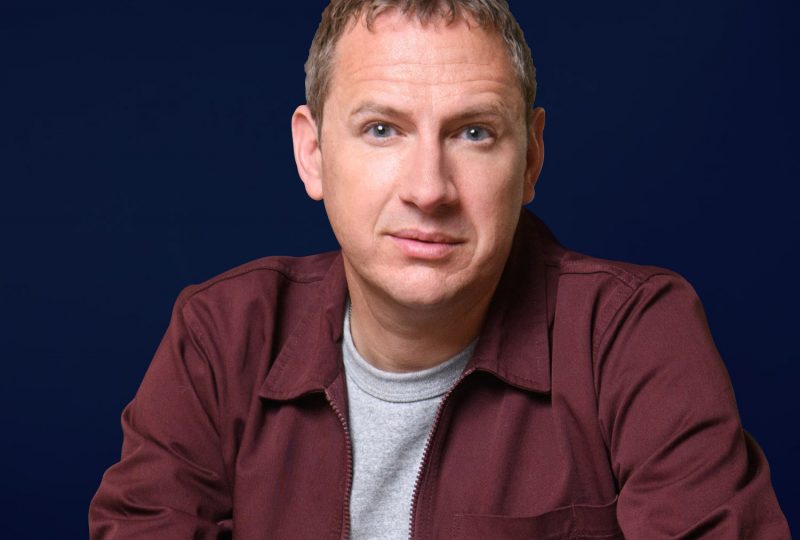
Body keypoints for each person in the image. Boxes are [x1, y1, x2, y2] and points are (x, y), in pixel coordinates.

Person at [89, 1, 789, 538]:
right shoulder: (220, 336)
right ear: (313, 153)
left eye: (473, 132)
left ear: (531, 159)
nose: (429, 189)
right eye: (382, 130)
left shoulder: (632, 333)